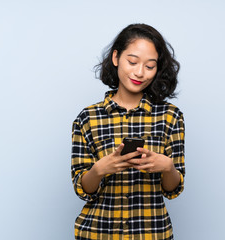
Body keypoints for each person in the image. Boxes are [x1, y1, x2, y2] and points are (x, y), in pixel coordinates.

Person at [71, 23, 185, 240]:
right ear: (116, 58)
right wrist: (99, 170)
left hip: (152, 233)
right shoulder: (87, 118)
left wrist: (167, 167)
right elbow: (82, 188)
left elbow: (172, 189)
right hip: (97, 233)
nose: (139, 73)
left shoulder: (171, 117)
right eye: (132, 62)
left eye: (149, 66)